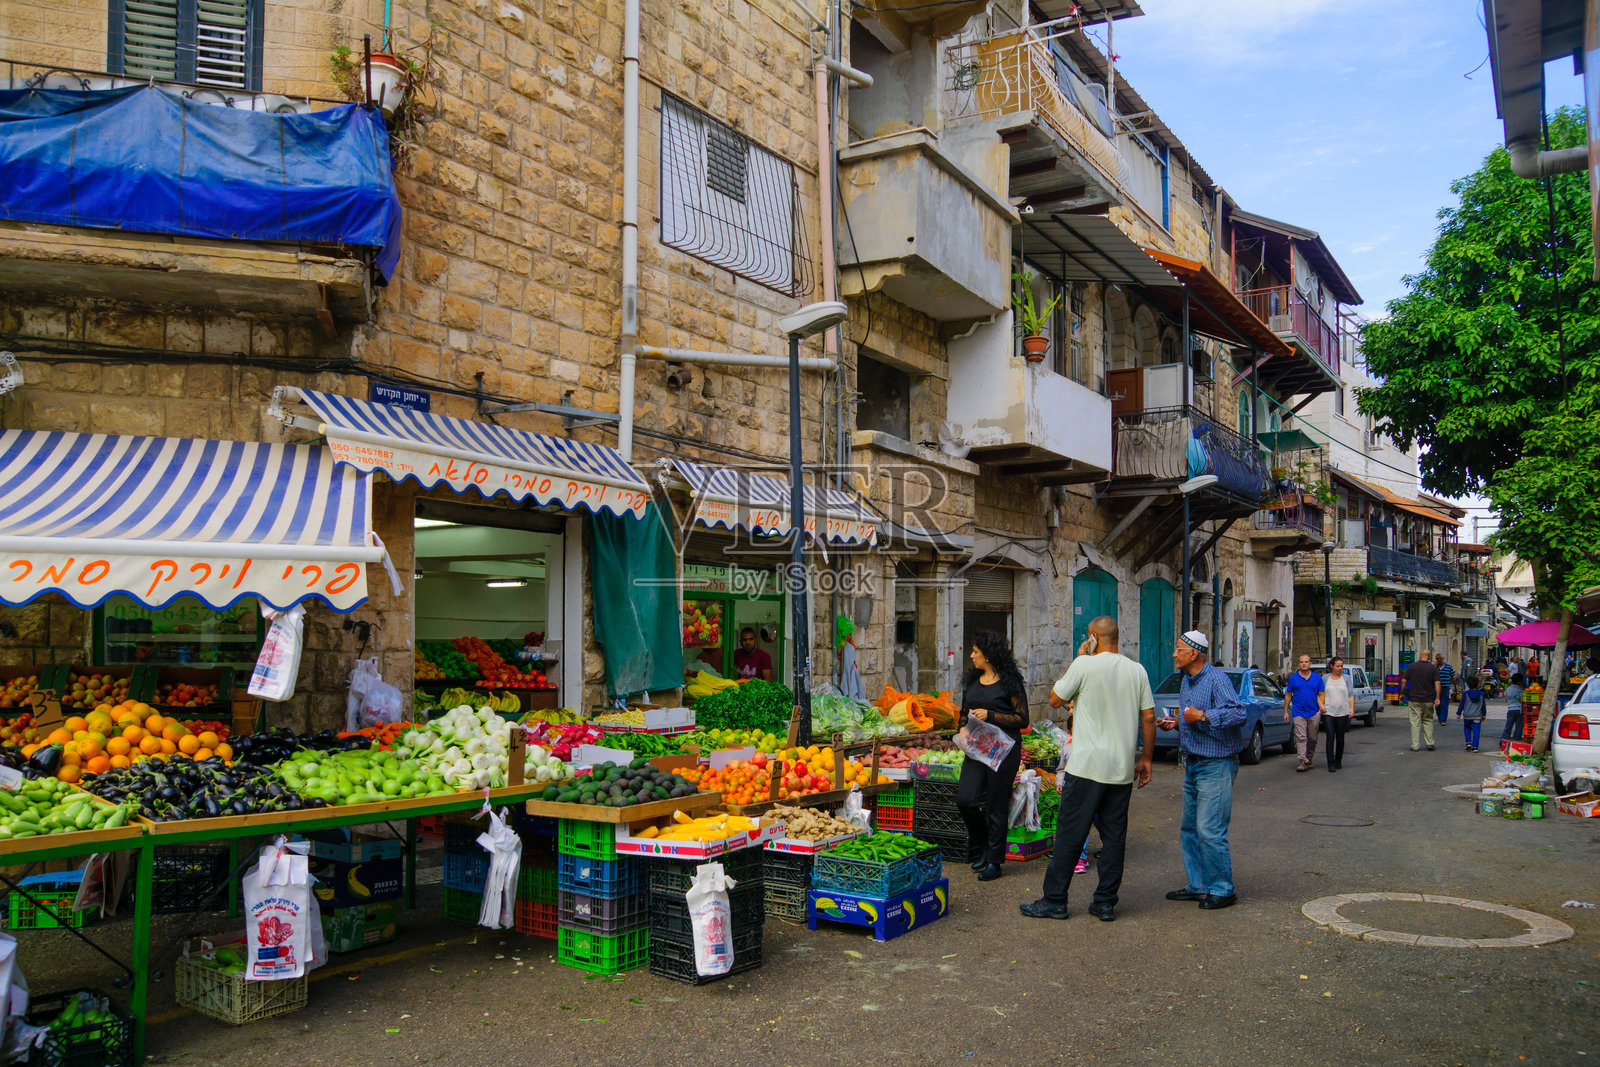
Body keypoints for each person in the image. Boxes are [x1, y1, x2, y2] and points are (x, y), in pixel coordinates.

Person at [1020, 616, 1155, 923]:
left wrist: (1080, 658)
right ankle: (1105, 903)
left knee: (1069, 834)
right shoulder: (1137, 671)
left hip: (1085, 768)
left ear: (1093, 637)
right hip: (1120, 770)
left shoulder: (1084, 664)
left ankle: (1054, 900)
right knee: (1114, 837)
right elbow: (1148, 718)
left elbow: (1055, 699)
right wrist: (1145, 758)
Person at [1159, 630, 1247, 911]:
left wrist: (1204, 715)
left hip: (1216, 765)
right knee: (1189, 828)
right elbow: (1191, 717)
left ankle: (1222, 888)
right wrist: (1177, 723)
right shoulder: (1187, 680)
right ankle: (1198, 885)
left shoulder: (1216, 679)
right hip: (1193, 763)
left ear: (1193, 654)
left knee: (1210, 829)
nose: (1174, 653)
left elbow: (1238, 713)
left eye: (1179, 649)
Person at [955, 631, 1029, 882]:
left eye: (976, 651)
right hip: (977, 751)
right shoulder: (973, 681)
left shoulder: (1010, 682)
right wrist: (962, 729)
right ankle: (986, 845)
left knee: (997, 805)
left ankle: (994, 861)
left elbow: (1022, 719)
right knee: (965, 799)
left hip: (1004, 752)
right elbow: (964, 713)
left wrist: (992, 715)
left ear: (989, 654)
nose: (972, 655)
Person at [1282, 653, 1325, 772]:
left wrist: (1319, 709)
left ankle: (1309, 759)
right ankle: (1302, 761)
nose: (1304, 664)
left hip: (1313, 712)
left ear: (1310, 663)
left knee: (1312, 738)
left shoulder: (1317, 678)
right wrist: (1286, 711)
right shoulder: (1293, 678)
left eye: (1306, 662)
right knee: (1301, 737)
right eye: (1301, 662)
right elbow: (1288, 694)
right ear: (1299, 664)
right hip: (1298, 712)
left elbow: (1321, 694)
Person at [1402, 653, 1441, 752]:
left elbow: (1403, 680)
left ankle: (1415, 745)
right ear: (1428, 657)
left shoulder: (1412, 667)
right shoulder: (1433, 668)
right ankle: (1430, 743)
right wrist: (1437, 697)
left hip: (1414, 698)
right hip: (1428, 699)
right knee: (1428, 720)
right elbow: (1437, 683)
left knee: (1415, 722)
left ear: (1420, 656)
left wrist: (1402, 693)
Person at [1322, 657, 1353, 772]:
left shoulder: (1346, 679)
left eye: (1341, 666)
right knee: (1330, 737)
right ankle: (1330, 763)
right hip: (1328, 711)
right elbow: (1320, 693)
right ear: (1332, 666)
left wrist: (1352, 709)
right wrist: (1321, 705)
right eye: (1337, 666)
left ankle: (1338, 759)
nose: (1340, 668)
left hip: (1343, 711)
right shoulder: (1325, 678)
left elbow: (1350, 694)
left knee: (1340, 738)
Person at [1458, 673, 1487, 751]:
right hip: (1477, 716)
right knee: (1476, 730)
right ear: (1477, 684)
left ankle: (1468, 743)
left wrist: (1458, 713)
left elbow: (1462, 704)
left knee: (1467, 728)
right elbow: (1483, 706)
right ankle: (1475, 746)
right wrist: (1484, 715)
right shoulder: (1481, 694)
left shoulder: (1465, 694)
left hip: (1467, 715)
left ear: (1468, 684)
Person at [1501, 673, 1527, 743]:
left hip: (1510, 710)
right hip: (1519, 710)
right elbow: (1522, 700)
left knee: (1508, 726)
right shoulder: (1521, 689)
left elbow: (1506, 699)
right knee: (1518, 727)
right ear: (1520, 682)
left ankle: (1504, 740)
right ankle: (1516, 740)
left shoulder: (1508, 689)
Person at [1434, 654, 1454, 724]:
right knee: (1437, 704)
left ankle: (1443, 719)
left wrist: (1454, 687)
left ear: (1443, 659)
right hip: (1436, 689)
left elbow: (1452, 677)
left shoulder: (1449, 667)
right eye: (1437, 659)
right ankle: (1440, 717)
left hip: (1445, 687)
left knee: (1444, 704)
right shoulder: (1434, 668)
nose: (1439, 660)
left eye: (1440, 659)